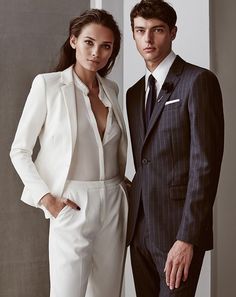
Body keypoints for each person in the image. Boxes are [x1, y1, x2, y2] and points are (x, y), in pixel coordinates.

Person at [10, 8, 128, 297]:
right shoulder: (48, 85)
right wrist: (46, 199)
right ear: (73, 40)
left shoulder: (111, 89)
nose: (96, 52)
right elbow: (19, 150)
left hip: (113, 201)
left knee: (108, 293)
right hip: (72, 202)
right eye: (88, 42)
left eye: (105, 46)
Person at [126, 0, 224, 296]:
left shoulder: (198, 81)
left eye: (157, 30)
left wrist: (187, 238)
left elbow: (205, 166)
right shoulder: (133, 94)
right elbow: (144, 161)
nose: (148, 39)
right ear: (133, 34)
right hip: (138, 229)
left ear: (173, 32)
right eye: (140, 31)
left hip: (177, 230)